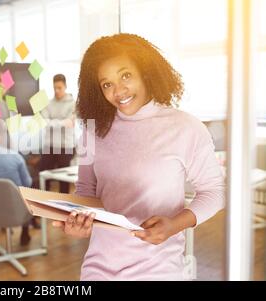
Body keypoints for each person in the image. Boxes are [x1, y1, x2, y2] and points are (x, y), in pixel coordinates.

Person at [52, 33, 225, 280]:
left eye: (125, 75)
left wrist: (174, 225)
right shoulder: (94, 130)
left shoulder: (185, 127)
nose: (118, 90)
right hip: (97, 269)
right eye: (107, 84)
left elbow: (215, 191)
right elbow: (87, 188)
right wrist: (79, 222)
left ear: (145, 72)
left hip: (158, 270)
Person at [38, 74, 76, 193]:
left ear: (65, 86)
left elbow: (70, 123)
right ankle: (44, 199)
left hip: (66, 146)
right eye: (55, 88)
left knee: (63, 179)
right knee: (44, 173)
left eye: (59, 88)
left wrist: (52, 122)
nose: (57, 90)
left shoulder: (73, 103)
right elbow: (43, 122)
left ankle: (63, 204)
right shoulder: (48, 103)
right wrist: (61, 122)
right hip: (50, 145)